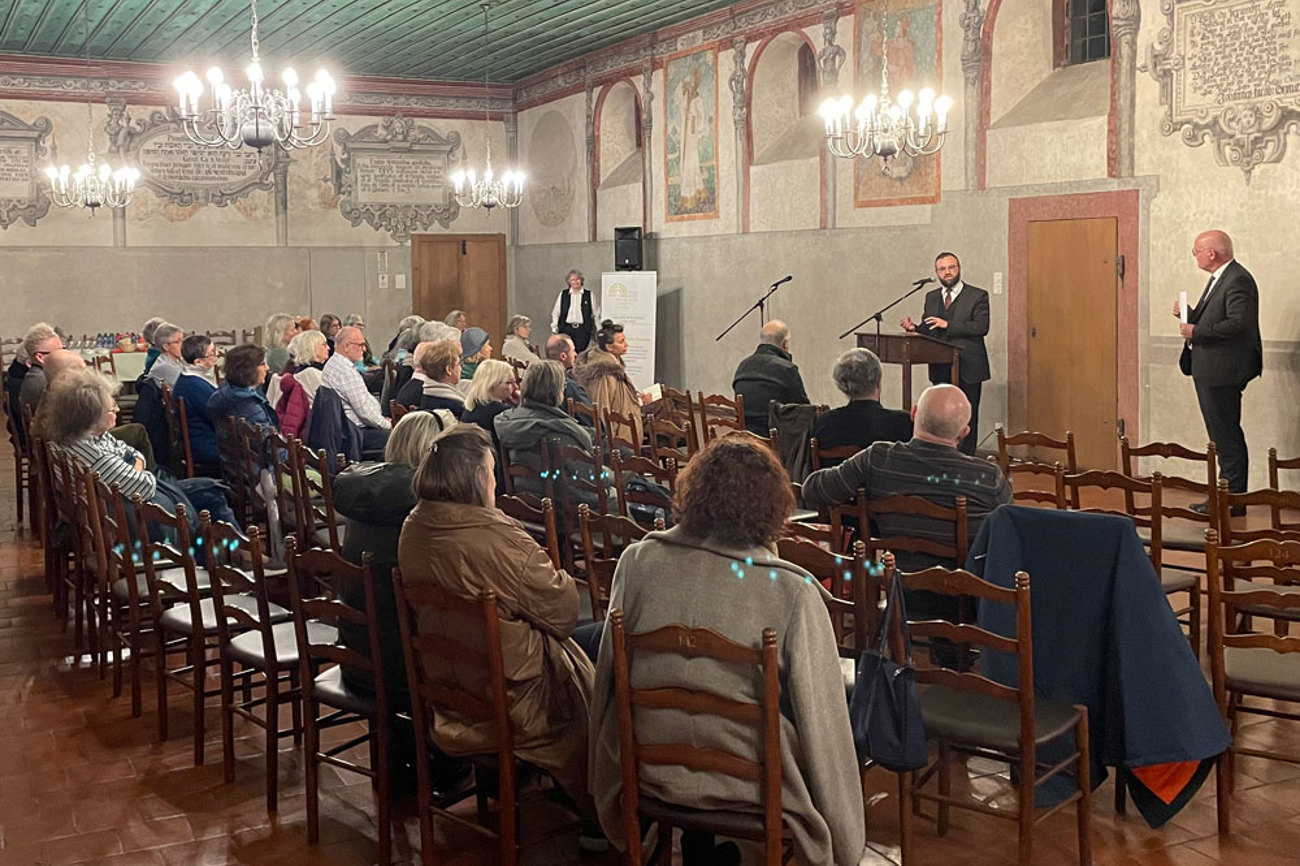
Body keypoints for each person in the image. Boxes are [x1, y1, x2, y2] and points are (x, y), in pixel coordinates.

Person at [588, 434, 867, 866]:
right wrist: (845, 839)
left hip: (648, 764)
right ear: (771, 506)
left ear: (692, 492)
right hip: (749, 782)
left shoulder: (637, 562)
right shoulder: (791, 589)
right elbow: (821, 721)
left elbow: (606, 680)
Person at [396, 424, 597, 824]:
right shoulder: (491, 537)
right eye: (491, 470)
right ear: (476, 478)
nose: (496, 479)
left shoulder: (413, 527)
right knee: (603, 640)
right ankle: (604, 806)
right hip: (513, 700)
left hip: (451, 692)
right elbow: (562, 612)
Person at [44, 370, 238, 529]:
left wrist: (133, 464)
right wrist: (135, 465)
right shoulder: (97, 457)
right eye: (112, 409)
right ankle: (229, 559)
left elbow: (132, 453)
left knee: (210, 487)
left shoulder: (82, 436)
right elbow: (145, 486)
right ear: (91, 417)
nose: (118, 411)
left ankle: (233, 556)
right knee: (212, 495)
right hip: (127, 523)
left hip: (119, 507)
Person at [1174, 229, 1261, 502]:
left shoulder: (1237, 279)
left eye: (1196, 251)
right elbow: (1217, 316)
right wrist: (1187, 315)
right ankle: (1227, 497)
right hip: (1211, 368)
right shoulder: (1221, 278)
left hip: (1223, 371)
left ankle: (1231, 499)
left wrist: (1195, 332)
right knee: (1221, 435)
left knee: (1226, 436)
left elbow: (1239, 323)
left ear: (1211, 253)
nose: (1195, 256)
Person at [900, 252, 990, 455]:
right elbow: (930, 327)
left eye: (951, 267)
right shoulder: (931, 297)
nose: (947, 272)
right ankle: (941, 454)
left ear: (959, 269)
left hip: (969, 366)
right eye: (942, 269)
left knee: (968, 414)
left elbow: (981, 327)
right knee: (941, 414)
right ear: (937, 273)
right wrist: (914, 328)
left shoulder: (978, 295)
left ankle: (967, 457)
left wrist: (948, 324)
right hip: (940, 365)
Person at [495, 361, 601, 507]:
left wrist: (523, 404)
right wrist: (618, 478)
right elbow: (589, 479)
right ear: (555, 390)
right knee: (624, 504)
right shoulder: (559, 434)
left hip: (528, 503)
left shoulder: (509, 422)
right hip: (565, 509)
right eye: (563, 386)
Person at [810, 348, 912, 462]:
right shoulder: (903, 423)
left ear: (842, 385)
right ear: (878, 381)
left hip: (839, 480)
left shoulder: (825, 424)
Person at [731, 320, 809, 435]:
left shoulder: (742, 366)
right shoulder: (787, 369)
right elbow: (803, 409)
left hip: (745, 436)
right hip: (775, 438)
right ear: (785, 344)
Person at [574, 320, 643, 446]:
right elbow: (602, 410)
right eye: (621, 341)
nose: (626, 344)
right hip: (620, 435)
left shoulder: (609, 365)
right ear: (609, 347)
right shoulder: (604, 374)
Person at [323, 326, 390, 451]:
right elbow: (365, 412)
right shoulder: (345, 372)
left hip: (345, 431)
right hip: (354, 433)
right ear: (347, 346)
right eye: (360, 345)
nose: (364, 349)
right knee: (400, 439)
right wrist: (388, 425)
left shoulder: (333, 364)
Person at [170, 334, 220, 469]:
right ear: (198, 362)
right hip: (204, 445)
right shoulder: (195, 386)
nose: (216, 356)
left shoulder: (188, 378)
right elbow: (217, 417)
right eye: (212, 354)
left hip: (199, 438)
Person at [206, 344, 279, 435]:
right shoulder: (249, 407)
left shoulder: (223, 392)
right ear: (248, 370)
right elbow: (271, 446)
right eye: (263, 364)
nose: (267, 368)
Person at [270, 329, 329, 438]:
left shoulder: (300, 371)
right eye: (324, 345)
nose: (328, 348)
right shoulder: (311, 373)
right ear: (311, 348)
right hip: (316, 429)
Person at [18, 322, 63, 417]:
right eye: (58, 352)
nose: (63, 355)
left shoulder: (34, 375)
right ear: (40, 357)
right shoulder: (45, 383)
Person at [550, 269, 601, 352]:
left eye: (578, 279)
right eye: (573, 280)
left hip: (582, 330)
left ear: (581, 280)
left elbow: (596, 314)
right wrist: (554, 329)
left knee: (579, 353)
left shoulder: (589, 295)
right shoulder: (563, 294)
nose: (575, 282)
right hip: (566, 329)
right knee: (566, 352)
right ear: (569, 282)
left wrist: (599, 329)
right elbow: (556, 312)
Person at [545, 333, 593, 418]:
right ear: (563, 356)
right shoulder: (570, 387)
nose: (575, 354)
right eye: (573, 351)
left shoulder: (539, 381)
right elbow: (591, 419)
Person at [416, 340, 467, 418]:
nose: (460, 369)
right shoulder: (455, 407)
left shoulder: (425, 395)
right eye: (459, 364)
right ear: (449, 369)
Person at [146, 323, 185, 389]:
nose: (183, 344)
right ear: (166, 347)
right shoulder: (166, 366)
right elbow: (187, 388)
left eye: (182, 340)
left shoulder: (172, 361)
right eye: (177, 342)